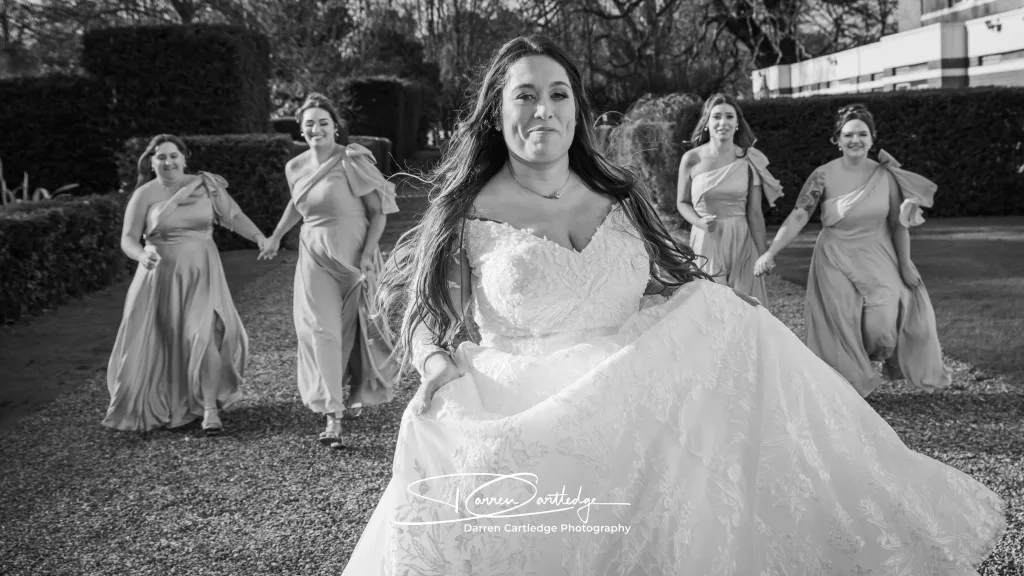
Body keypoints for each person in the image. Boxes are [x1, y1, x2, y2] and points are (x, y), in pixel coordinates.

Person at [340, 37, 1004, 574]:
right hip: (530, 419)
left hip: (636, 410)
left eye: (557, 94)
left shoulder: (620, 195)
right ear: (496, 112)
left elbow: (660, 288)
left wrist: (725, 314)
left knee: (732, 328)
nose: (543, 109)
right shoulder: (468, 208)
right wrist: (431, 362)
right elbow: (430, 309)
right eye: (525, 95)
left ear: (576, 110)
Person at [753, 104, 953, 397]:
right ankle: (848, 387)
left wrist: (906, 263)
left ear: (873, 138)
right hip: (834, 257)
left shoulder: (886, 176)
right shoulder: (822, 175)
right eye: (848, 134)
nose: (855, 140)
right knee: (841, 323)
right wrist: (771, 252)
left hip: (878, 255)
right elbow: (799, 215)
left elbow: (899, 224)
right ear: (837, 139)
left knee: (882, 326)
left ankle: (866, 364)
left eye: (862, 133)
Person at [258, 93, 399, 448]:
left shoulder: (352, 159)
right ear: (301, 130)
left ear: (335, 126)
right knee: (323, 332)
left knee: (356, 330)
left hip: (352, 253)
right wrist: (276, 236)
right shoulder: (295, 167)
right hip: (313, 255)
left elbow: (377, 211)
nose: (316, 129)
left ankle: (353, 389)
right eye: (309, 124)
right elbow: (297, 203)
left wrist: (368, 254)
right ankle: (332, 416)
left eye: (323, 122)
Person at [103, 134, 268, 435]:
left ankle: (208, 409)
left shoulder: (205, 184)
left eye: (173, 155)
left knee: (203, 334)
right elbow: (128, 238)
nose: (168, 162)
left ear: (184, 157)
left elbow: (234, 216)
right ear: (151, 162)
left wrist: (259, 237)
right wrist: (141, 255)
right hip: (160, 276)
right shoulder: (143, 194)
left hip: (203, 270)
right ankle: (171, 399)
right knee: (166, 339)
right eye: (161, 157)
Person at [677, 93, 781, 305]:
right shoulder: (692, 159)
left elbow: (754, 213)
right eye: (716, 117)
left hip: (742, 239)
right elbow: (682, 202)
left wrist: (764, 254)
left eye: (729, 116)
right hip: (707, 238)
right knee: (711, 304)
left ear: (737, 123)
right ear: (707, 122)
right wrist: (698, 222)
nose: (723, 122)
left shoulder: (749, 158)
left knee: (746, 305)